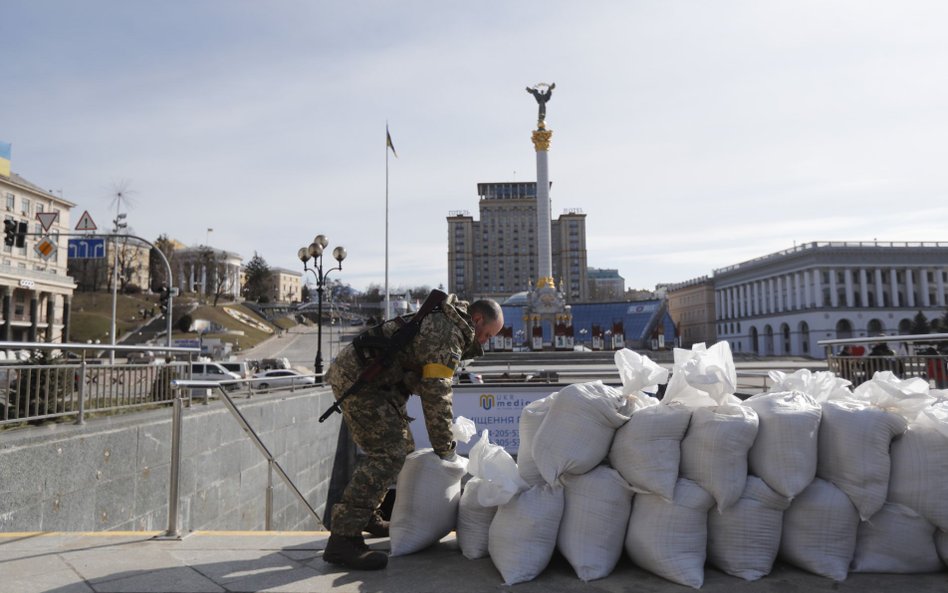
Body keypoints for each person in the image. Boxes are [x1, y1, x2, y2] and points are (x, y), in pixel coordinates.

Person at [323, 294, 504, 570]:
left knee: (401, 449)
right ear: (477, 320)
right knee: (388, 453)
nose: (485, 341)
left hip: (375, 382)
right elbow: (436, 393)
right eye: (488, 334)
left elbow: (420, 376)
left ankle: (367, 515)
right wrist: (446, 448)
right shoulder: (448, 332)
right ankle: (343, 539)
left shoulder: (449, 322)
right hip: (362, 380)